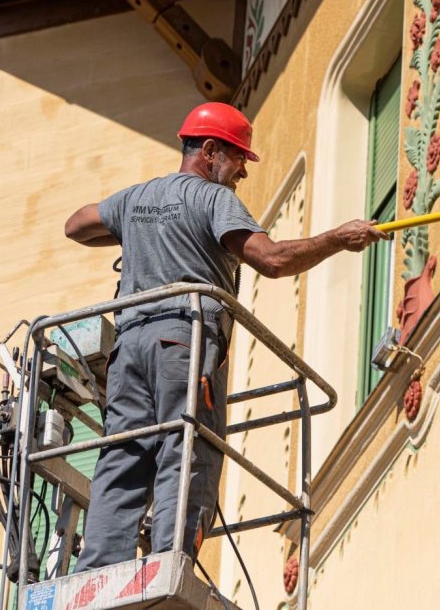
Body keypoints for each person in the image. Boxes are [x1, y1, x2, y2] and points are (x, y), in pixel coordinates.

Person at [64, 102, 388, 570]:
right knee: (189, 447)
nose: (242, 173)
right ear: (211, 151)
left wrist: (131, 230)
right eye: (239, 159)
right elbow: (272, 260)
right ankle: (169, 563)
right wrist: (338, 238)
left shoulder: (136, 199)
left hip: (128, 348)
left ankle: (98, 567)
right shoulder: (213, 199)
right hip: (182, 342)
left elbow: (76, 225)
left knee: (124, 454)